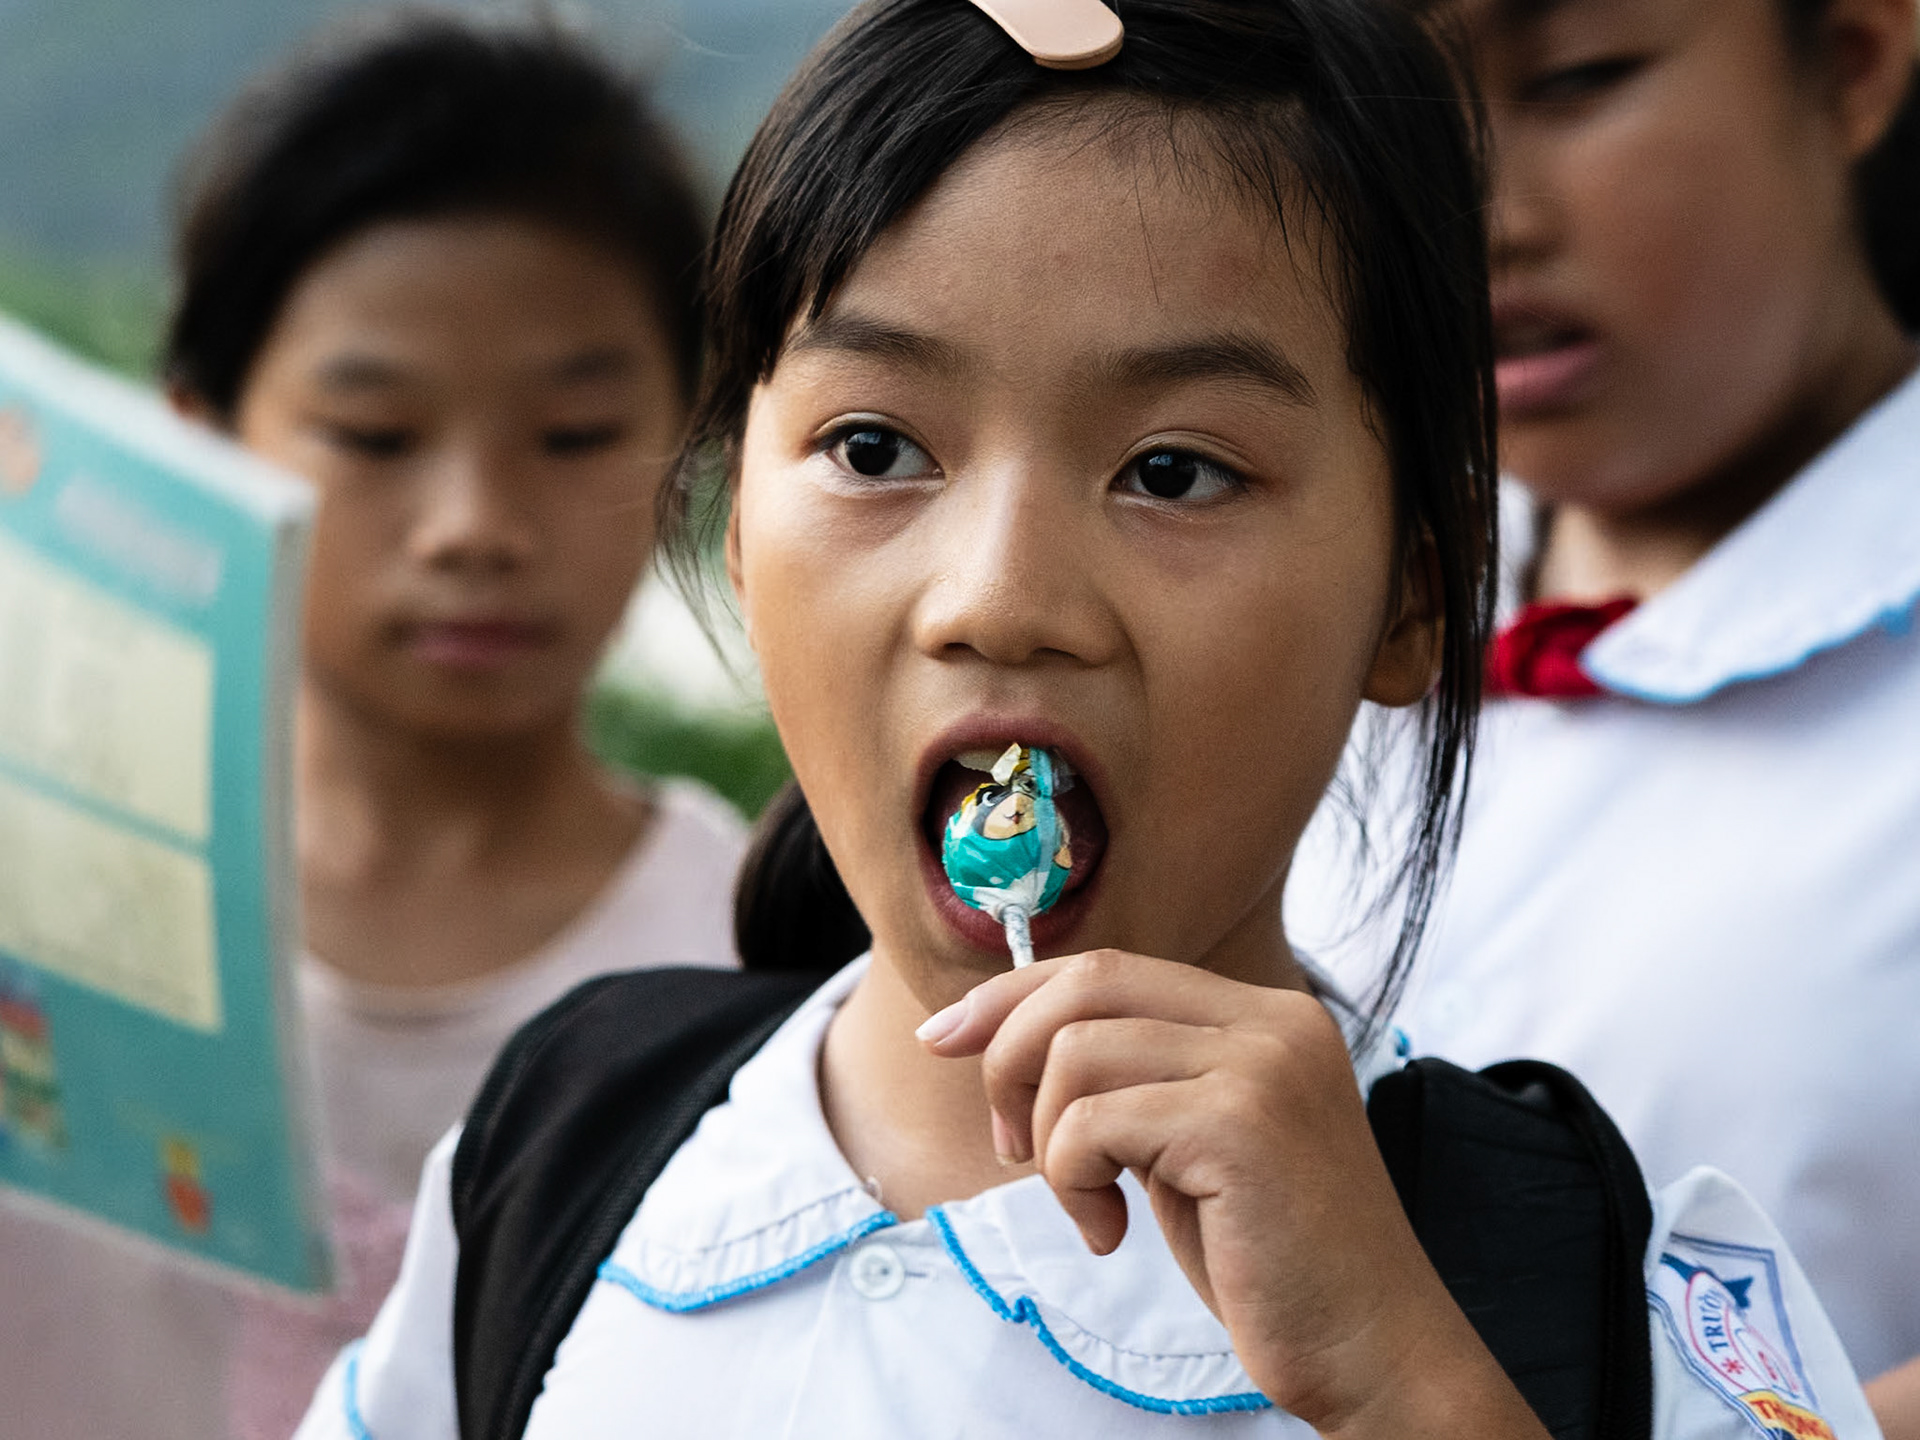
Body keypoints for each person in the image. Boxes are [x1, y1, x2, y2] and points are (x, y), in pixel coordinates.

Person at [295, 1, 1885, 1436]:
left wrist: (1411, 1387)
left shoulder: (1600, 1297)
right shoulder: (560, 1150)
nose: (997, 597)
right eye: (871, 448)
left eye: (1174, 470)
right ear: (728, 522)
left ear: (1416, 591)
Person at [0, 15, 745, 1440]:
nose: (474, 526)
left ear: (696, 438)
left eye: (576, 435)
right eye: (378, 436)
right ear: (202, 437)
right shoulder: (33, 900)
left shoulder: (755, 964)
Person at [1285, 0, 1920, 1430]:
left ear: (1857, 56)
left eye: (1577, 80)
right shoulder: (1302, 597)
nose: (1475, 215)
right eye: (1398, 126)